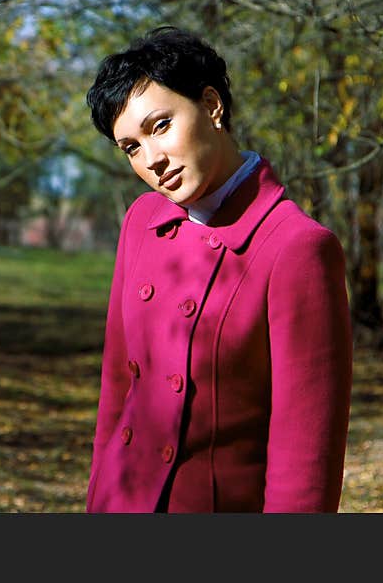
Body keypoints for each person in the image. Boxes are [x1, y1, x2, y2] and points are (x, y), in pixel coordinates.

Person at [84, 26, 353, 513]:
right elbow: (116, 391)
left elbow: (306, 457)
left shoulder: (296, 248)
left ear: (211, 105)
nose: (152, 160)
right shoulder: (142, 222)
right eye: (131, 148)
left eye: (160, 126)